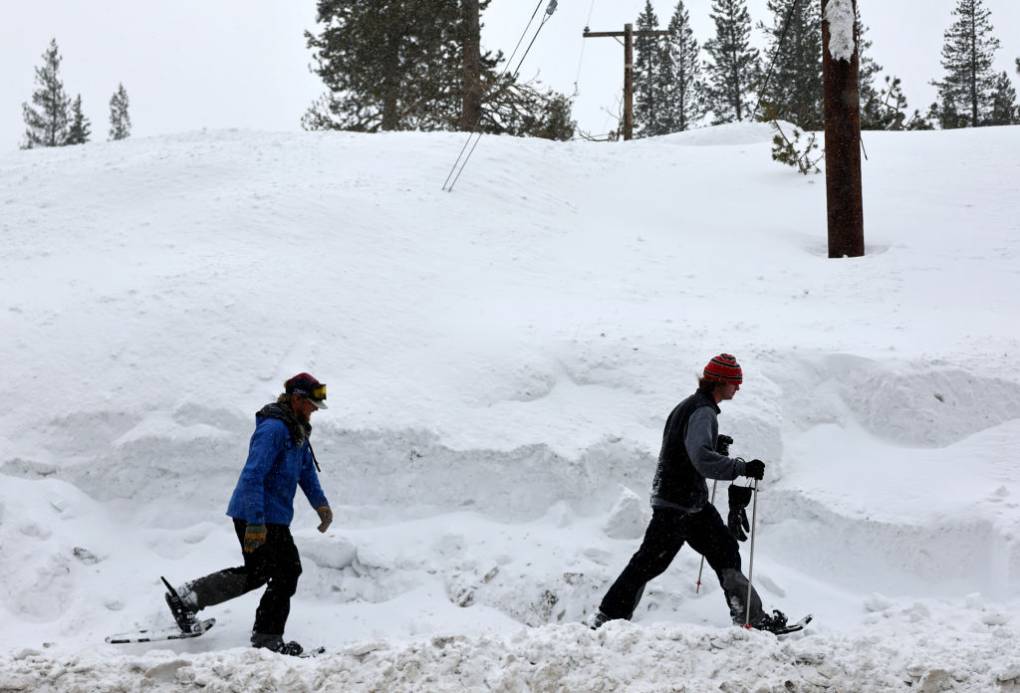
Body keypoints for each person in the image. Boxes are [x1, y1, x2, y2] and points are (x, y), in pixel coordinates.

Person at [592, 354, 788, 632]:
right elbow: (701, 458)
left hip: (689, 503)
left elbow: (689, 449)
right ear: (720, 382)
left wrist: (713, 445)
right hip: (677, 504)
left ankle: (750, 619)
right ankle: (606, 620)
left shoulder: (690, 407)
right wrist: (741, 468)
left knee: (726, 552)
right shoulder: (702, 411)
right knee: (649, 562)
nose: (738, 388)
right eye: (735, 382)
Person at [162, 372, 333, 656]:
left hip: (271, 515)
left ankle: (187, 598)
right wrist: (256, 522)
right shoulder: (275, 429)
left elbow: (305, 472)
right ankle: (267, 637)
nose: (315, 411)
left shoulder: (297, 428)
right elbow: (253, 474)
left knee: (259, 572)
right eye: (311, 405)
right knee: (287, 570)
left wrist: (321, 505)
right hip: (257, 513)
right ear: (296, 398)